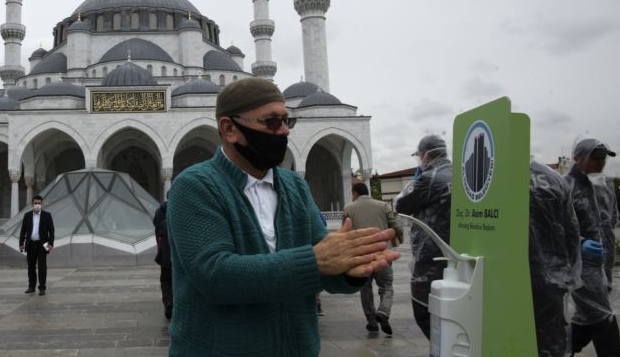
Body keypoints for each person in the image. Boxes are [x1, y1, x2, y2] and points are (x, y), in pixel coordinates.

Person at [166, 78, 399, 356]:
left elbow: (322, 266)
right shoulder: (195, 185)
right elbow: (216, 276)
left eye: (288, 120)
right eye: (272, 122)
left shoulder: (293, 185)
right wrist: (316, 260)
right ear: (229, 129)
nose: (284, 131)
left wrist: (350, 267)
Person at [565, 138, 620, 356]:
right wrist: (580, 243)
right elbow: (557, 227)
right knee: (601, 314)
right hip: (581, 266)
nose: (600, 162)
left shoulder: (606, 185)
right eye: (595, 157)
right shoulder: (565, 186)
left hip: (604, 263)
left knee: (588, 317)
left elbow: (612, 219)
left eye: (603, 157)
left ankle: (558, 350)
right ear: (577, 157)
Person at [394, 133, 452, 340]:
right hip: (455, 255)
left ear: (426, 155)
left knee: (425, 312)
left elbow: (400, 204)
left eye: (420, 156)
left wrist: (416, 180)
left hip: (431, 257)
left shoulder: (430, 178)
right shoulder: (463, 175)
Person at [528, 160, 581, 357]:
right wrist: (570, 272)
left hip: (507, 275)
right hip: (553, 276)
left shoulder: (496, 175)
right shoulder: (554, 178)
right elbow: (572, 231)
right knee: (551, 342)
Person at [344, 181, 398, 336]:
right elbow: (396, 226)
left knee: (365, 288)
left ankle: (372, 322)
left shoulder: (349, 208)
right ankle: (383, 312)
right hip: (383, 253)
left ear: (355, 193)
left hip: (363, 256)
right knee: (386, 285)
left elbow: (345, 233)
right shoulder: (383, 206)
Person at [18, 195, 54, 296]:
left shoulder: (47, 215)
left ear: (42, 204)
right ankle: (31, 286)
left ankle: (42, 287)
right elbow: (23, 231)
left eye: (39, 203)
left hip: (43, 244)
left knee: (42, 266)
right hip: (30, 244)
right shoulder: (27, 215)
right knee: (31, 266)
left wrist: (51, 244)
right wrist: (21, 244)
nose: (37, 205)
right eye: (35, 203)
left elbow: (51, 231)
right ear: (32, 204)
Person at [153, 198, 172, 319]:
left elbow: (157, 230)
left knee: (165, 281)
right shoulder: (180, 216)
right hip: (177, 258)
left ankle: (169, 303)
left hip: (165, 255)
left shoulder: (160, 214)